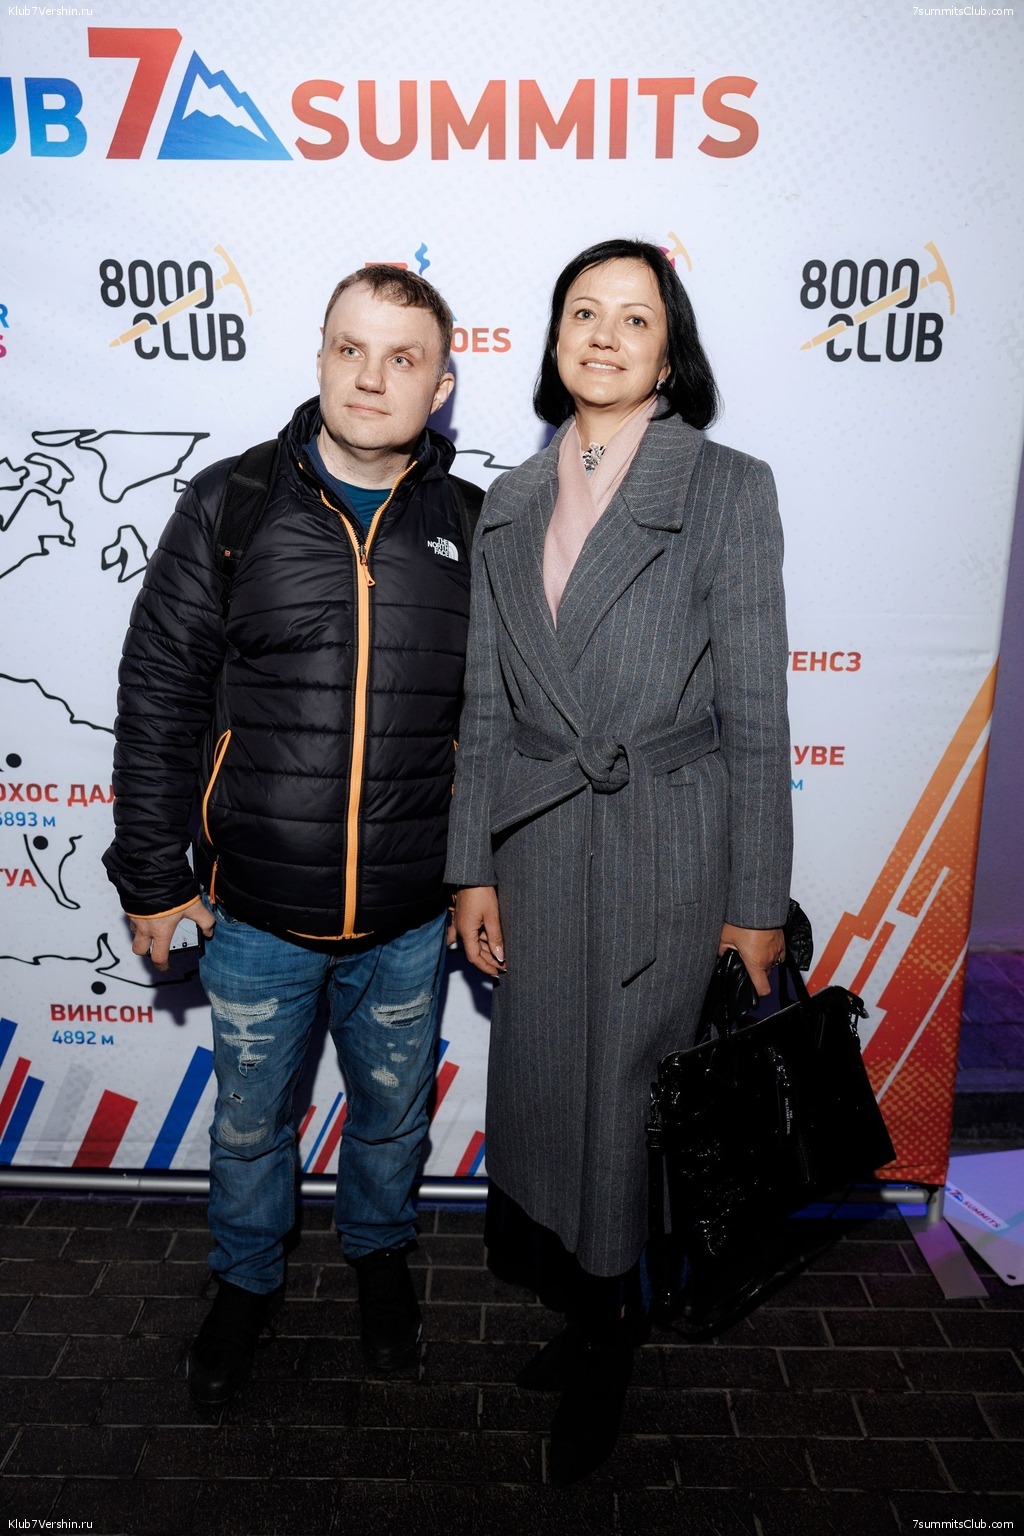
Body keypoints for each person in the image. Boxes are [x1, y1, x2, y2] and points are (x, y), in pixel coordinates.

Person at [448, 239, 792, 1484]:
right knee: (550, 1095)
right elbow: (486, 706)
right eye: (582, 313)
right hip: (539, 842)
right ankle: (589, 1305)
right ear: (554, 342)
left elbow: (757, 714)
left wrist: (755, 903)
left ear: (669, 349)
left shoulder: (726, 487)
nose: (603, 334)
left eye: (633, 317)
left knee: (626, 1108)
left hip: (666, 841)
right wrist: (470, 867)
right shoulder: (508, 499)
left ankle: (607, 1336)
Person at [104, 265, 475, 1407]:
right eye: (350, 349)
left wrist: (481, 875)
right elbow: (159, 697)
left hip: (407, 920)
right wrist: (151, 874)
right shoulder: (232, 504)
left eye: (403, 358)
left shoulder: (474, 526)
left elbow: (500, 726)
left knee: (392, 1120)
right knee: (251, 1125)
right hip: (257, 914)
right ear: (319, 356)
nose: (371, 377)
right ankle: (245, 1282)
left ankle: (380, 1264)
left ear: (441, 387)